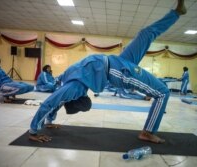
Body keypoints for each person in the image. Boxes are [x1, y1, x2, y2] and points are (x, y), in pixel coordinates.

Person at [28, 0, 187, 143]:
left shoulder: (73, 88)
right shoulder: (70, 81)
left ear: (75, 98)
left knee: (145, 34)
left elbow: (52, 102)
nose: (83, 95)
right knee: (162, 92)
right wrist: (48, 121)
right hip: (116, 69)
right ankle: (148, 132)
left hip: (119, 64)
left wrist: (35, 130)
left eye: (81, 98)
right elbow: (57, 101)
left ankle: (176, 13)